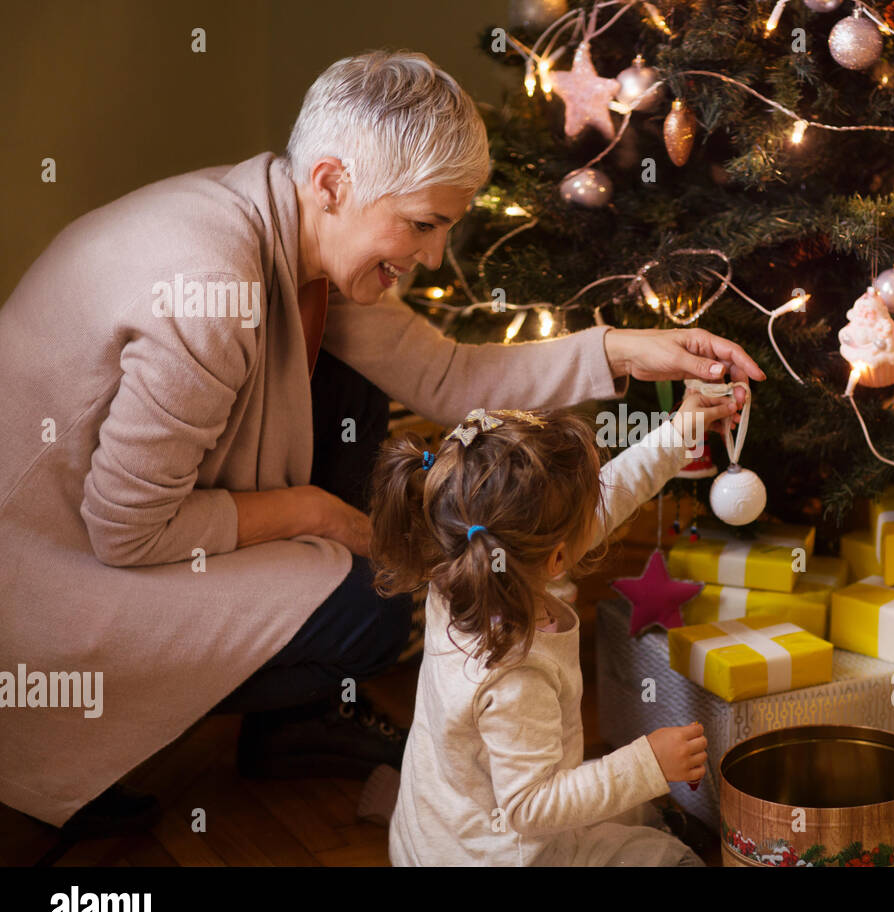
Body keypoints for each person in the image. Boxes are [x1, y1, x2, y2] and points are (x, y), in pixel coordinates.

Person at [0, 49, 762, 836]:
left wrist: (625, 349)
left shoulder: (289, 223)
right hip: (47, 577)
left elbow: (449, 376)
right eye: (423, 225)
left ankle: (292, 717)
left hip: (114, 526)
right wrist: (321, 516)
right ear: (333, 182)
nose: (433, 256)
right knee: (378, 611)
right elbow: (126, 528)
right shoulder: (209, 289)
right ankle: (277, 709)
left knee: (363, 391)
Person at [371, 387, 737, 866]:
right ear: (559, 557)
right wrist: (648, 760)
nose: (599, 509)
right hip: (507, 856)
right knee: (669, 857)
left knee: (626, 808)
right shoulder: (516, 672)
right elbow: (530, 806)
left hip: (439, 835)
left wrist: (679, 434)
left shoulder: (463, 562)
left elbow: (607, 496)